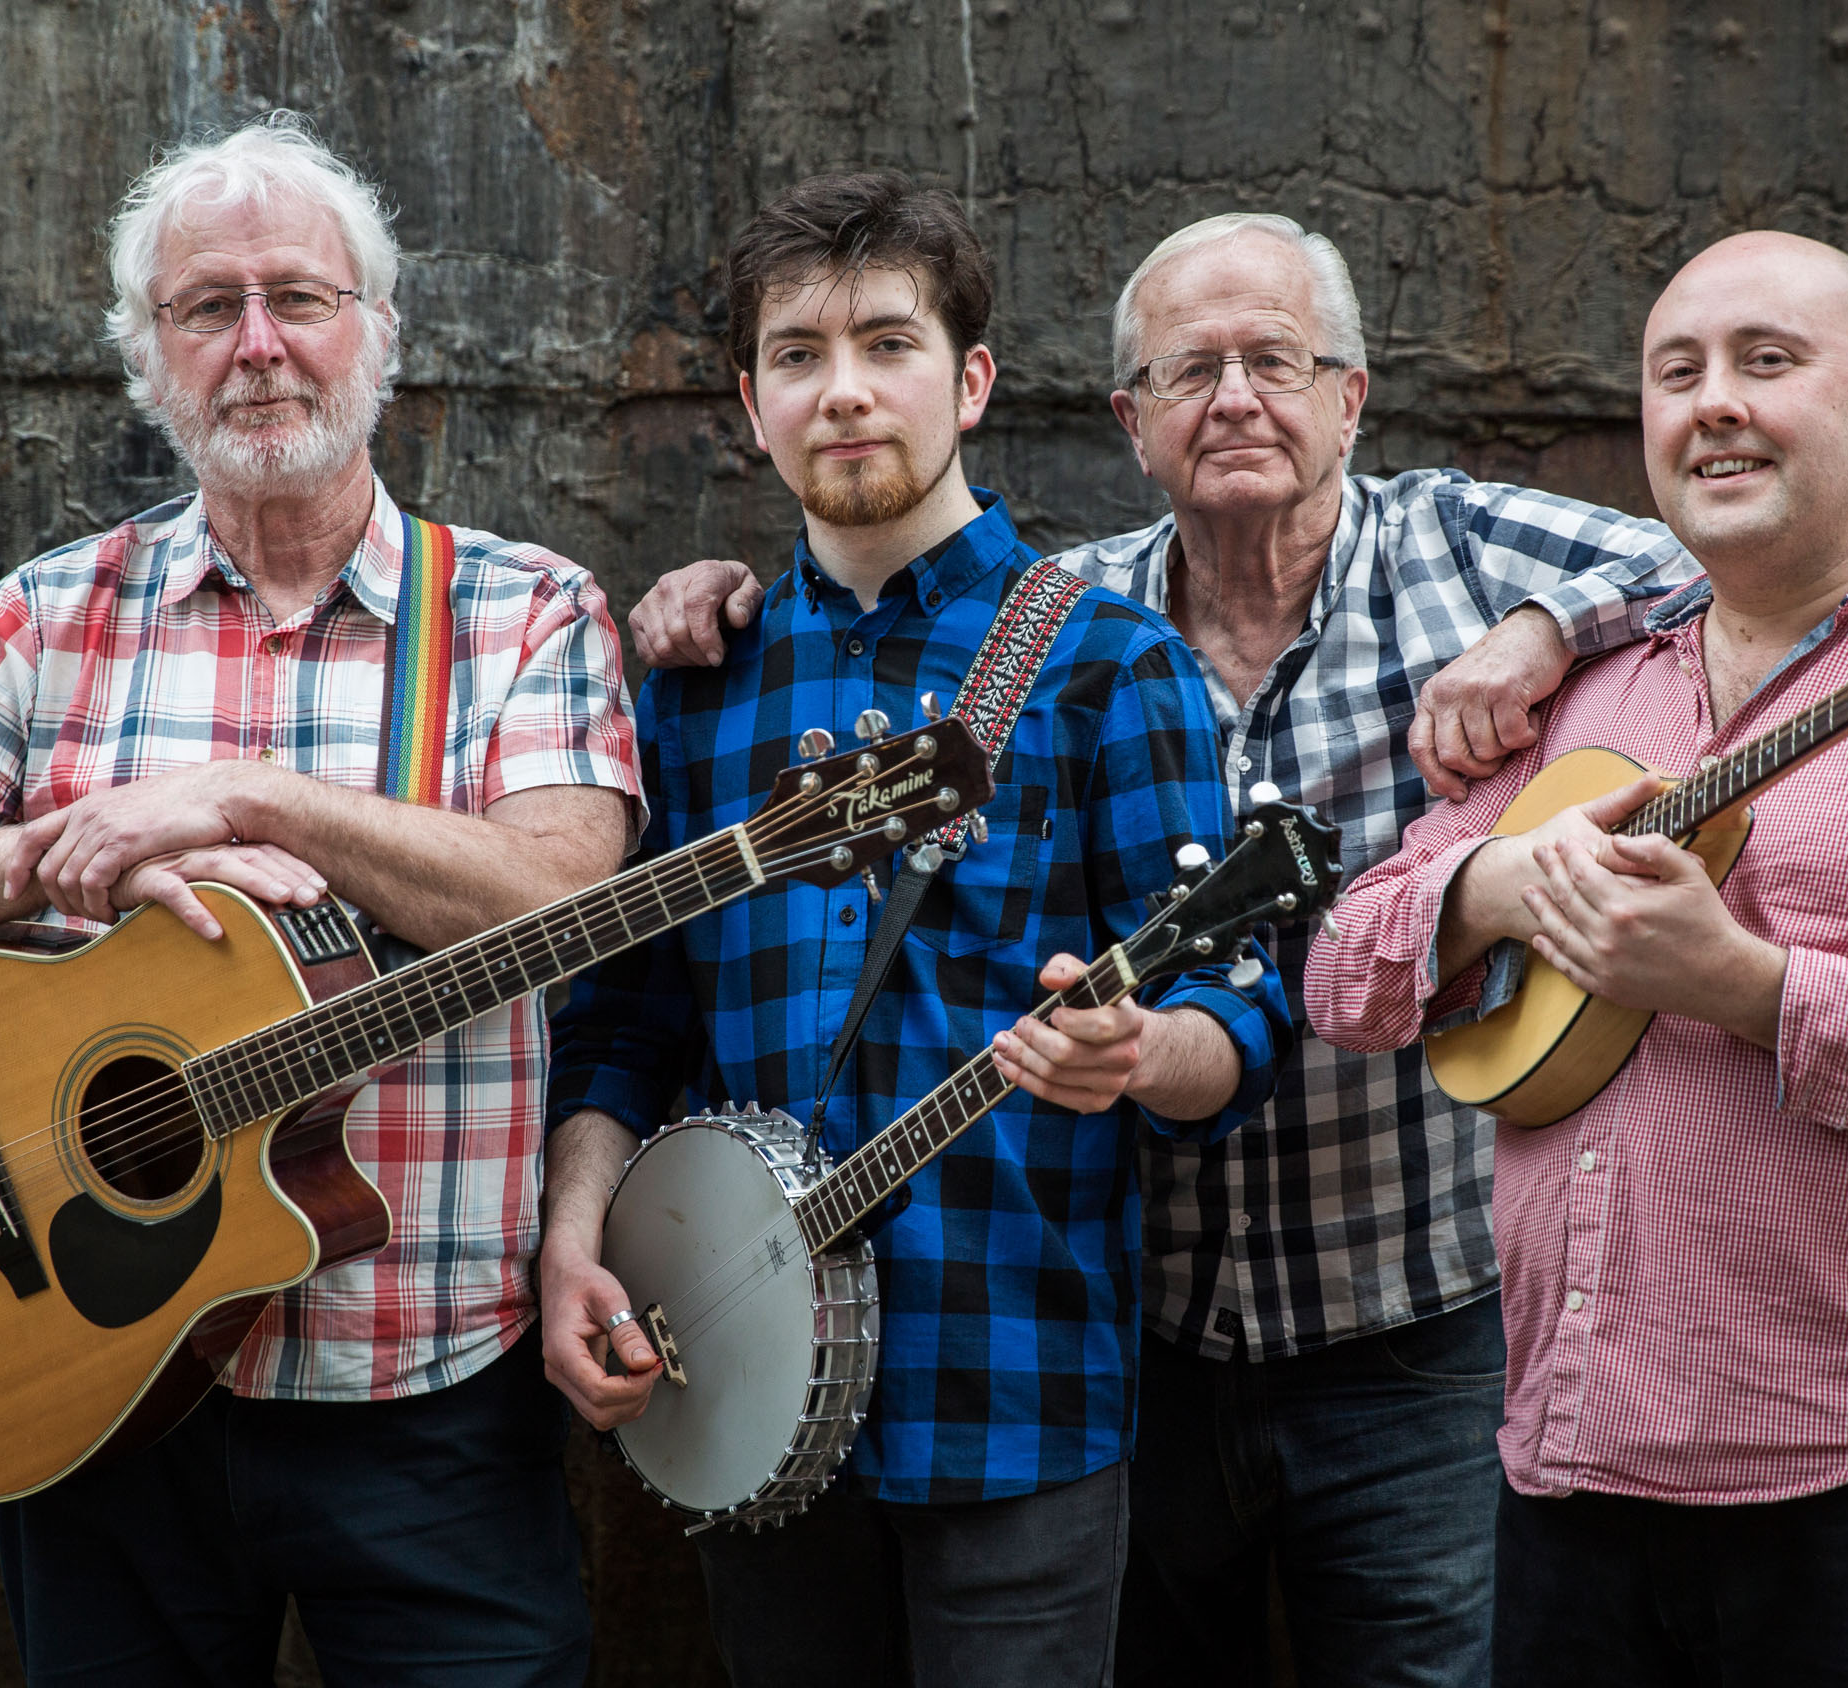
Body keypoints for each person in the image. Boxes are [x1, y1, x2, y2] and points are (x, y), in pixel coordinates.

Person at [628, 211, 1699, 1685]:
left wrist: (1534, 633)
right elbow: (635, 1017)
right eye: (1193, 372)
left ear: (1352, 395)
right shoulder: (806, 662)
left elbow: (1712, 555)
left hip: (1362, 1326)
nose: (1239, 398)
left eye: (1277, 361)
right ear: (1129, 422)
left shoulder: (1366, 575)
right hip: (1107, 1338)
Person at [0, 114, 638, 1686]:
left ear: (380, 336)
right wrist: (49, 849)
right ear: (149, 359)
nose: (260, 343)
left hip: (427, 1419)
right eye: (207, 306)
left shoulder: (523, 610)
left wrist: (245, 799)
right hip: (94, 1393)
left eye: (301, 296)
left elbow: (557, 888)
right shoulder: (51, 615)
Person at [1304, 230, 1848, 1686]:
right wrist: (1502, 882)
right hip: (1566, 1481)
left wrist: (1748, 988)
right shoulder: (1578, 693)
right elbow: (1346, 972)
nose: (1713, 403)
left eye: (1768, 363)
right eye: (1676, 372)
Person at [537, 173, 1288, 1688]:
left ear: (973, 381)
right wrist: (571, 1242)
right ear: (752, 403)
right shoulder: (694, 682)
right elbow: (628, 1021)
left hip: (1012, 1395)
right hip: (734, 1375)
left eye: (889, 344)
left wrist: (1144, 1052)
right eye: (800, 356)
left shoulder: (1100, 661)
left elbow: (1243, 1020)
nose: (847, 391)